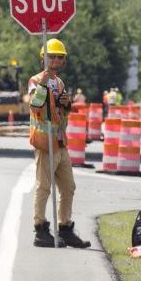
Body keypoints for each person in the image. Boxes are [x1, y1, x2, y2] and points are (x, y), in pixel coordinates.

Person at [27, 38, 90, 249]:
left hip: (61, 142)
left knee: (68, 187)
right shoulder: (35, 81)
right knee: (44, 187)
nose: (55, 60)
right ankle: (40, 230)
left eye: (59, 57)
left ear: (63, 61)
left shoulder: (60, 83)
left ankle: (65, 228)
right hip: (45, 143)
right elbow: (35, 104)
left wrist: (67, 104)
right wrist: (43, 84)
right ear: (43, 58)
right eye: (51, 56)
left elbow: (61, 113)